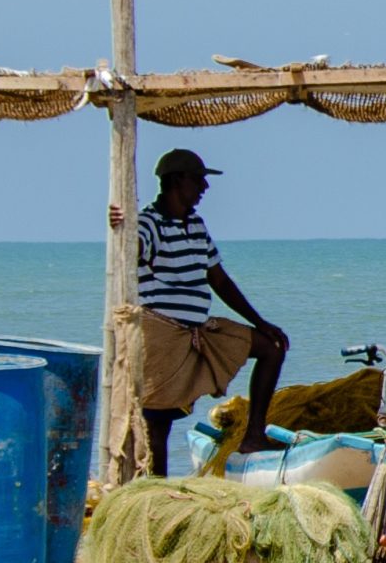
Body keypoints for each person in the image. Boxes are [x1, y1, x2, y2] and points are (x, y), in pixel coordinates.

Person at [106, 148, 288, 478]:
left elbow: (217, 278)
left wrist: (259, 322)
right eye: (199, 181)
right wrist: (122, 227)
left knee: (272, 347)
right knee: (157, 423)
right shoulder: (149, 224)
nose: (204, 188)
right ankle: (156, 491)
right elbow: (130, 252)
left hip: (198, 330)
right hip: (162, 333)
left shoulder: (196, 224)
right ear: (178, 181)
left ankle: (254, 437)